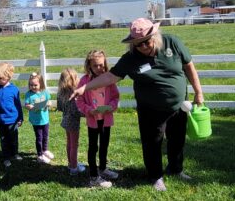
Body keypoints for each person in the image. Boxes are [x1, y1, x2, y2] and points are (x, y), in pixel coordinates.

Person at [71, 18, 204, 191]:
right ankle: (156, 176)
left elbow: (189, 66)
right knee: (152, 143)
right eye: (137, 44)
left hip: (178, 105)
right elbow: (111, 77)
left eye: (146, 43)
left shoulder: (173, 42)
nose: (143, 47)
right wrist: (85, 87)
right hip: (150, 109)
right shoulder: (131, 58)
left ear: (155, 36)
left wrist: (198, 92)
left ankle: (175, 169)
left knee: (177, 139)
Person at [76, 50, 120, 188]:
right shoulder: (84, 81)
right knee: (93, 147)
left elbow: (115, 97)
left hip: (106, 119)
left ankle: (103, 168)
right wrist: (89, 110)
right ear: (89, 66)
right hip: (93, 120)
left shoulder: (109, 79)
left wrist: (111, 107)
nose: (99, 68)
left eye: (101, 65)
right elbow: (79, 100)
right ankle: (94, 177)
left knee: (104, 145)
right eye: (96, 66)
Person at [57, 68, 86, 176]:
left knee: (69, 143)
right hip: (73, 123)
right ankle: (74, 167)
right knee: (74, 145)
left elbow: (59, 107)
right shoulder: (73, 95)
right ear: (74, 80)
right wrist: (87, 114)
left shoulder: (60, 93)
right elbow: (76, 111)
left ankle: (71, 163)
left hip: (65, 121)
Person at [25, 72, 54, 164]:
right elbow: (26, 105)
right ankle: (40, 154)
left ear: (40, 83)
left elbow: (48, 100)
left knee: (45, 136)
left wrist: (49, 103)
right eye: (31, 85)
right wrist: (29, 107)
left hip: (45, 119)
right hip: (36, 120)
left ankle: (45, 150)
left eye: (35, 85)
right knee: (39, 137)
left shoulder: (44, 92)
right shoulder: (29, 94)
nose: (33, 87)